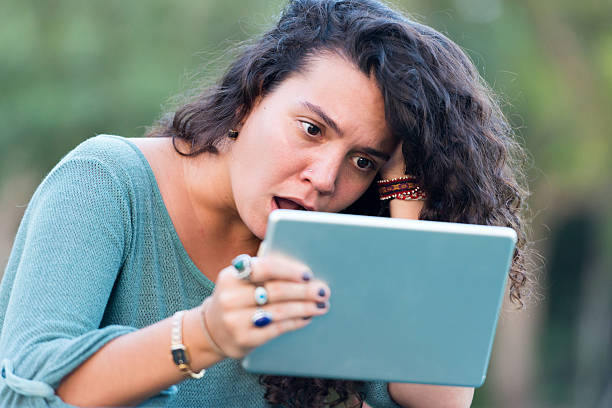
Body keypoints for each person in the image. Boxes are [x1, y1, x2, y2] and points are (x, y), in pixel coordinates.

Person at [0, 0, 530, 407]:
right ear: (253, 94)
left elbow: (435, 399)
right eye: (311, 128)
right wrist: (207, 334)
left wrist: (407, 195)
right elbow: (24, 390)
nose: (325, 178)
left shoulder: (333, 243)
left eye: (363, 160)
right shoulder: (106, 181)